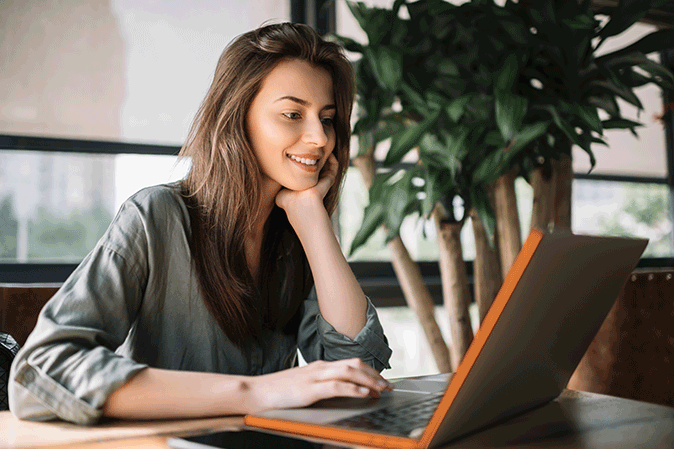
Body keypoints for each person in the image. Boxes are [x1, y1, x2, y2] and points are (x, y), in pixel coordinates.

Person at [9, 22, 392, 425]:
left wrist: (314, 222)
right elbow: (41, 371)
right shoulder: (155, 216)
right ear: (237, 117)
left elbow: (358, 370)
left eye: (327, 118)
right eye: (292, 114)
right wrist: (255, 393)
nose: (319, 138)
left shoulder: (294, 233)